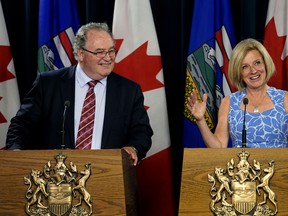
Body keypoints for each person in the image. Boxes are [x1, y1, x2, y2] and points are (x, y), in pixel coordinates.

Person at [6, 22, 153, 165]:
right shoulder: (48, 84)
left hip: (107, 175)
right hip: (54, 178)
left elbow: (142, 131)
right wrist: (16, 152)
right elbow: (21, 124)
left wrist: (133, 148)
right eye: (100, 52)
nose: (108, 58)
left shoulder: (129, 91)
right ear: (81, 54)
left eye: (111, 51)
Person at [187, 38, 288, 148]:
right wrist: (200, 120)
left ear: (265, 64)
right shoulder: (229, 102)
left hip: (279, 165)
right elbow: (219, 148)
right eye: (245, 67)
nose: (253, 70)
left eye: (257, 63)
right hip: (241, 165)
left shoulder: (285, 99)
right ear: (239, 72)